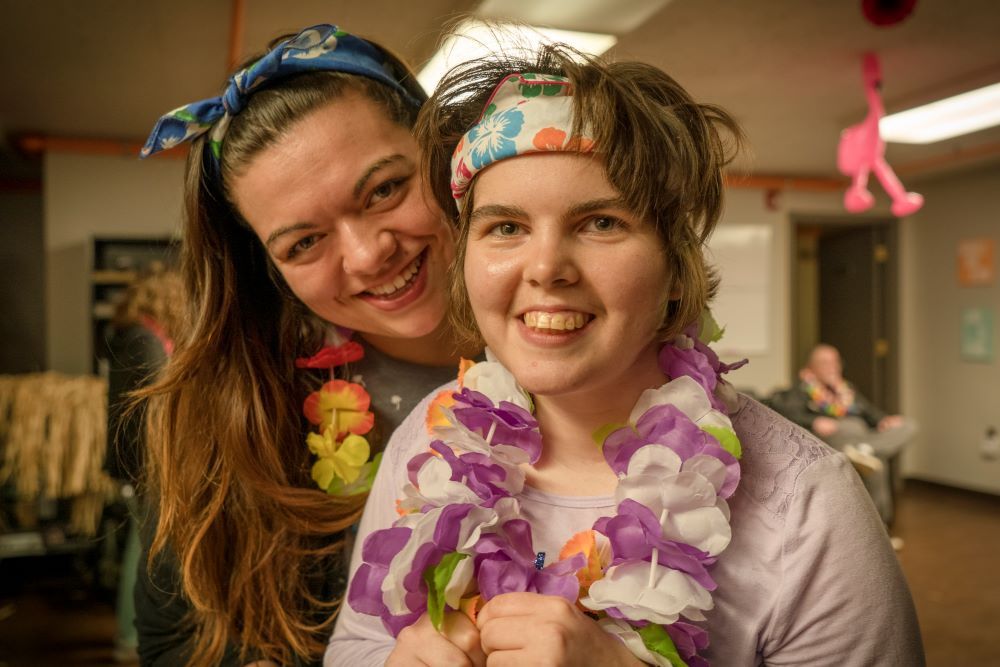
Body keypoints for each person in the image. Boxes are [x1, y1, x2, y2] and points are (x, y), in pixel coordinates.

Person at [328, 45, 924, 665]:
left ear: (675, 265)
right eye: (505, 227)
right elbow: (356, 645)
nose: (546, 268)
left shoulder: (808, 505)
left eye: (601, 223)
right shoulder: (429, 440)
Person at [136, 24, 479, 666]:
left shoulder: (590, 360)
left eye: (385, 190)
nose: (368, 253)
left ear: (445, 156)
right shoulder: (227, 422)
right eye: (303, 243)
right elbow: (176, 644)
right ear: (272, 272)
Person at [104, 267, 184, 663]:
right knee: (146, 552)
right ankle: (128, 638)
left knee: (143, 548)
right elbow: (154, 405)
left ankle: (128, 635)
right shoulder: (145, 338)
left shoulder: (133, 333)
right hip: (144, 463)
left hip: (137, 460)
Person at [769, 343, 917, 526]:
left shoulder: (847, 389)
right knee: (877, 464)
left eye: (835, 362)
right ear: (811, 367)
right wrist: (814, 421)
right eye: (824, 362)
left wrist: (884, 420)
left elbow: (870, 413)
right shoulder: (800, 389)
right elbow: (787, 413)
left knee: (908, 426)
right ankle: (880, 528)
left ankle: (866, 450)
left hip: (861, 441)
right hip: (833, 442)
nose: (832, 367)